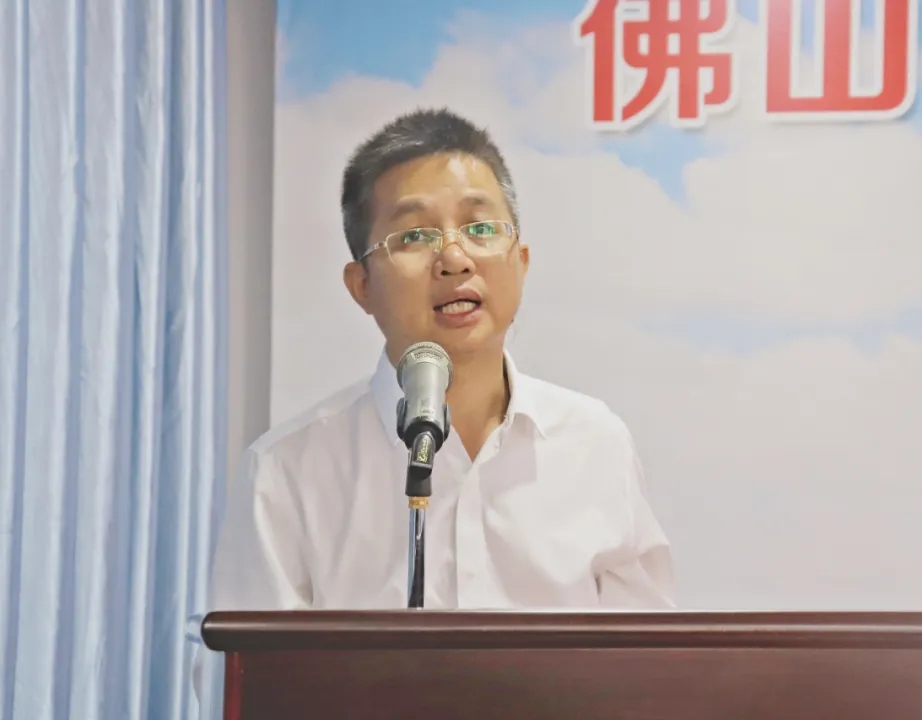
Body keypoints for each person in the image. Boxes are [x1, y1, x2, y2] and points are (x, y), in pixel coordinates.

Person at [206, 108, 674, 616]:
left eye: (481, 227)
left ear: (520, 262)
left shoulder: (595, 445)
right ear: (361, 286)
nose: (454, 258)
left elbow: (647, 658)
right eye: (414, 236)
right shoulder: (286, 475)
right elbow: (248, 666)